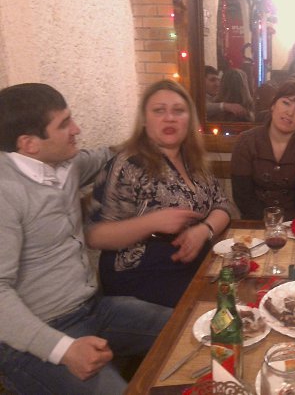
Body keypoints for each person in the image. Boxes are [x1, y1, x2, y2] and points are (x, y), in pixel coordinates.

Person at [0, 83, 172, 394]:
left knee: (189, 329)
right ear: (28, 143)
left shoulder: (66, 165)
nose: (76, 129)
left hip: (92, 309)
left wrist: (153, 128)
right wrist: (63, 349)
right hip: (37, 338)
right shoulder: (5, 192)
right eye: (64, 124)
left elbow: (108, 154)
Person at [86, 80, 233, 308]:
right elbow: (95, 236)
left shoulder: (193, 160)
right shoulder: (128, 164)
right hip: (143, 276)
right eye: (159, 110)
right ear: (144, 120)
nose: (169, 118)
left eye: (178, 111)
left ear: (189, 120)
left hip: (194, 264)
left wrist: (204, 230)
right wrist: (152, 222)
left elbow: (223, 205)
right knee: (221, 309)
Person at [231, 79, 295, 221]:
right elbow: (242, 198)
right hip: (257, 222)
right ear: (273, 105)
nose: (290, 112)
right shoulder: (246, 142)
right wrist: (272, 223)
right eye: (286, 103)